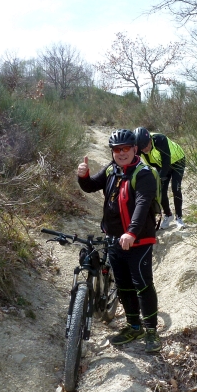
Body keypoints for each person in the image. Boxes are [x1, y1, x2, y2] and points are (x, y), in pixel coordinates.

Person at [76, 129, 162, 353]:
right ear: (112, 152)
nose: (121, 153)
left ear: (135, 149)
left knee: (142, 285)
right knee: (124, 286)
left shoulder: (144, 173)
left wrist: (132, 232)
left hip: (139, 240)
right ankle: (134, 326)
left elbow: (143, 203)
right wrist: (83, 175)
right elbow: (91, 186)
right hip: (114, 239)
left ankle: (151, 331)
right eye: (117, 149)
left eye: (126, 148)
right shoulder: (111, 169)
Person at [133, 127, 186, 229]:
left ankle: (179, 217)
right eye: (142, 148)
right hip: (160, 164)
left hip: (177, 161)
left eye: (146, 146)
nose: (145, 149)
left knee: (176, 187)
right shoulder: (139, 148)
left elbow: (166, 162)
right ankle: (168, 215)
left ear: (150, 140)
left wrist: (160, 179)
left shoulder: (160, 139)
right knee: (160, 190)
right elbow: (134, 163)